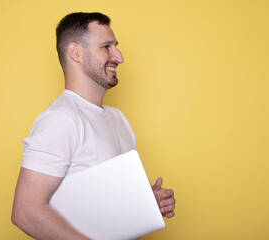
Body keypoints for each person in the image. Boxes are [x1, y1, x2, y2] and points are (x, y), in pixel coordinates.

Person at [12, 12, 175, 240]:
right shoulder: (60, 120)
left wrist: (146, 202)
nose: (119, 57)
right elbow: (26, 212)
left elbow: (102, 202)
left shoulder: (118, 119)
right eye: (106, 47)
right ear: (75, 53)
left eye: (115, 46)